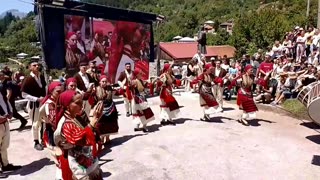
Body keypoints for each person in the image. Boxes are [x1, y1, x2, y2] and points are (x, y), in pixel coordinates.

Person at [54, 90, 104, 180]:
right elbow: (80, 140)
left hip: (86, 157)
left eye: (82, 102)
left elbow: (89, 130)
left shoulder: (76, 117)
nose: (82, 105)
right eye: (78, 103)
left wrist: (96, 119)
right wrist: (92, 123)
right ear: (67, 105)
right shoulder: (66, 124)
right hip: (75, 164)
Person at [38, 82, 63, 179]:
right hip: (53, 133)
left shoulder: (59, 100)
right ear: (51, 92)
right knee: (58, 158)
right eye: (58, 91)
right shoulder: (49, 104)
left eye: (61, 91)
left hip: (60, 132)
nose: (60, 93)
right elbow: (53, 121)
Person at [21, 60, 47, 151]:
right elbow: (23, 94)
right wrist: (36, 99)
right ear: (30, 67)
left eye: (37, 65)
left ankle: (43, 139)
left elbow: (44, 88)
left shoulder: (41, 76)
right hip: (34, 104)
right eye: (34, 65)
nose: (37, 66)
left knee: (43, 121)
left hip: (43, 103)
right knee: (35, 123)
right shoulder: (28, 79)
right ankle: (36, 141)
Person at [94, 75, 119, 149]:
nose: (104, 83)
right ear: (100, 82)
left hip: (111, 107)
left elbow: (115, 93)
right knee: (101, 124)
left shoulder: (109, 88)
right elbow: (93, 100)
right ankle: (101, 138)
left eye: (105, 81)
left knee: (110, 123)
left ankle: (107, 138)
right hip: (101, 108)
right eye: (103, 81)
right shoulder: (96, 89)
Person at [0, 88, 22, 173]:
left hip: (5, 123)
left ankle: (5, 165)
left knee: (4, 146)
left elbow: (7, 102)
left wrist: (11, 112)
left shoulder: (1, 91)